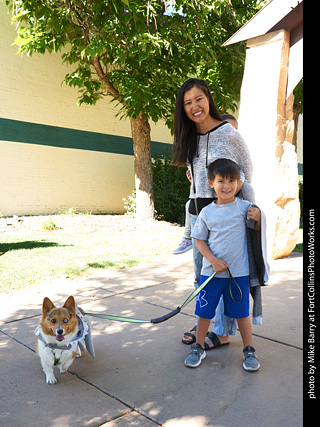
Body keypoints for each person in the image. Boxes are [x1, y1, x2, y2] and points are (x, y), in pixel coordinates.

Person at [171, 78, 255, 349]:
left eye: (199, 99)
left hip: (226, 218)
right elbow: (198, 177)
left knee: (226, 276)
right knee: (203, 277)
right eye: (188, 103)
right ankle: (204, 323)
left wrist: (241, 207)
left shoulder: (229, 133)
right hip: (199, 217)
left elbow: (246, 172)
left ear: (208, 99)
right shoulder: (189, 137)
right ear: (183, 109)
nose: (195, 106)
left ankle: (221, 333)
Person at [184, 158, 261, 371]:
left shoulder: (245, 208)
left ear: (238, 184)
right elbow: (199, 240)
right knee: (204, 312)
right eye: (221, 181)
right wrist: (213, 261)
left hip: (238, 274)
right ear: (211, 183)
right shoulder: (207, 212)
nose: (227, 186)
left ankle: (249, 350)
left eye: (232, 181)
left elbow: (258, 234)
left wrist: (260, 219)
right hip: (211, 274)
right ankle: (198, 347)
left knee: (242, 313)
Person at [172, 114, 243, 255]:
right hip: (200, 204)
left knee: (222, 252)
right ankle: (187, 236)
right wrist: (194, 179)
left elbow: (244, 173)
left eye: (234, 129)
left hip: (227, 204)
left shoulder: (234, 150)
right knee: (200, 253)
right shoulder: (202, 145)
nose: (231, 132)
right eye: (227, 128)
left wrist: (231, 192)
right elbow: (199, 175)